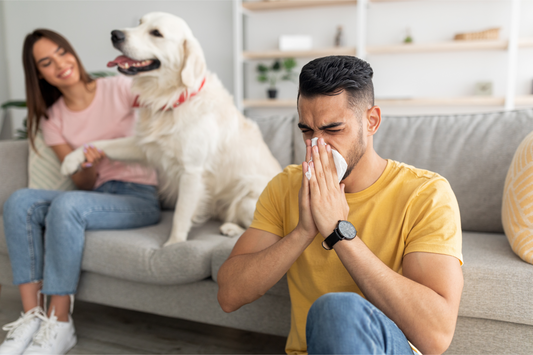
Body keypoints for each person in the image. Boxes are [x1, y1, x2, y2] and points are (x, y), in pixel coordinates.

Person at [217, 56, 463, 355]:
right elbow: (229, 296)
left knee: (338, 308)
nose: (317, 146)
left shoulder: (426, 193)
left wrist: (338, 232)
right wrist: (304, 231)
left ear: (371, 121)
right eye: (307, 131)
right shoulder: (285, 186)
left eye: (333, 130)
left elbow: (435, 337)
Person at [0, 29, 160, 355]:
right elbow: (83, 184)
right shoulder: (53, 119)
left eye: (61, 52)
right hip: (96, 195)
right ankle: (32, 317)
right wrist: (87, 165)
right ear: (39, 74)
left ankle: (59, 324)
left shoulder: (119, 87)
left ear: (71, 52)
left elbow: (165, 121)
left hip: (139, 195)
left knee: (69, 205)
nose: (60, 63)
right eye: (46, 62)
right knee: (19, 201)